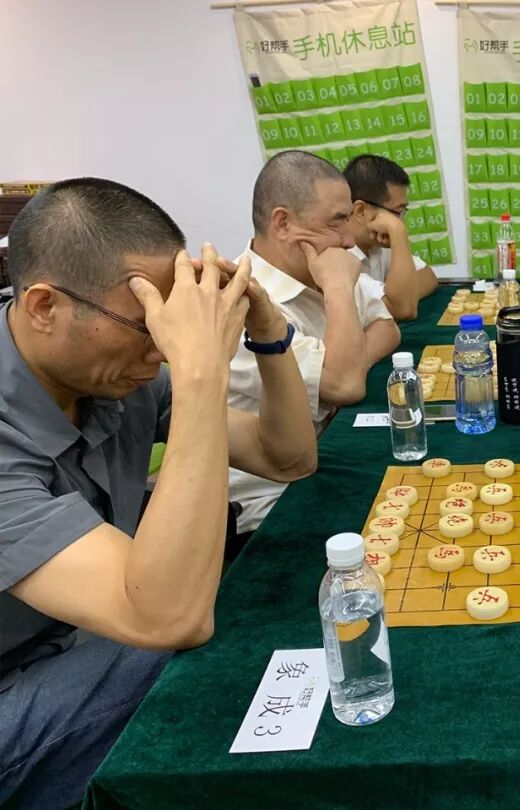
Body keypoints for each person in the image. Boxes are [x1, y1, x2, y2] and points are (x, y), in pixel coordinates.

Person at [0, 179, 318, 807]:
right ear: (43, 307)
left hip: (79, 643)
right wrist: (199, 369)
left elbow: (287, 457)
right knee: (227, 647)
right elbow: (169, 618)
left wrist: (268, 330)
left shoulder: (113, 373)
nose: (161, 351)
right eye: (148, 326)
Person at [229, 151, 400, 534]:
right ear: (283, 223)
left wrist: (343, 364)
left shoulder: (321, 262)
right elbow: (346, 385)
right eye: (336, 221)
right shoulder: (240, 301)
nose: (347, 240)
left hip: (327, 460)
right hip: (269, 504)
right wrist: (338, 289)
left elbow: (387, 327)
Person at [342, 154, 438, 321]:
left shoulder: (376, 242)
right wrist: (397, 231)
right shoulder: (340, 256)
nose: (401, 221)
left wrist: (398, 294)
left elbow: (428, 276)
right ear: (361, 211)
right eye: (397, 212)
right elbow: (405, 309)